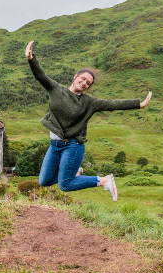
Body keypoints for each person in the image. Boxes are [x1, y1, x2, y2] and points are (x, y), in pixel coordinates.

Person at [25, 41, 152, 201]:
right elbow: (40, 75)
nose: (84, 83)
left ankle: (104, 181)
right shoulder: (56, 89)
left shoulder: (89, 102)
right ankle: (76, 172)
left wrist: (139, 104)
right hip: (54, 145)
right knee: (44, 181)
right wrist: (31, 59)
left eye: (88, 83)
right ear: (75, 76)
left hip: (73, 145)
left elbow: (112, 104)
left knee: (65, 185)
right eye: (83, 79)